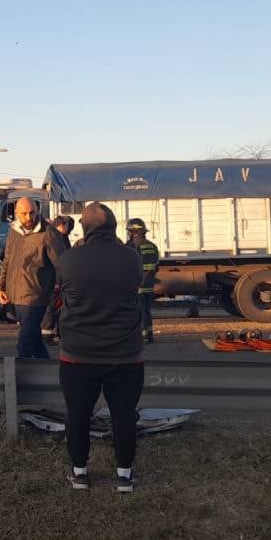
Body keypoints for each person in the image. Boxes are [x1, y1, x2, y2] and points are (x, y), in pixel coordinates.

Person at [55, 202, 145, 492]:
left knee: (78, 415)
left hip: (78, 355)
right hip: (125, 355)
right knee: (124, 414)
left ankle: (80, 472)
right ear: (115, 227)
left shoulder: (69, 260)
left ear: (83, 228)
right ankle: (124, 475)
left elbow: (61, 293)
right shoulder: (131, 258)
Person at [0, 197, 66, 359]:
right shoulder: (14, 231)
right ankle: (47, 374)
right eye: (24, 213)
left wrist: (64, 291)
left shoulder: (48, 233)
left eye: (32, 213)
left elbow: (61, 264)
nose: (29, 217)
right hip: (15, 295)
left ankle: (23, 378)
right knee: (34, 339)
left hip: (36, 296)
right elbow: (7, 260)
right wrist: (0, 287)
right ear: (16, 213)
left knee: (25, 344)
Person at [126, 218, 160, 343]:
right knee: (144, 311)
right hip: (145, 285)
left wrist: (137, 283)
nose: (129, 234)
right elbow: (154, 268)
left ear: (136, 232)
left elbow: (147, 268)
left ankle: (144, 336)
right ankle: (147, 334)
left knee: (140, 312)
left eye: (130, 231)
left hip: (139, 285)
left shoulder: (141, 246)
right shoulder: (150, 245)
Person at [41, 215, 74, 342]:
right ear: (61, 225)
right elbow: (59, 260)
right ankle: (48, 333)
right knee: (53, 305)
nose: (68, 230)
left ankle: (54, 332)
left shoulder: (60, 237)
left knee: (57, 306)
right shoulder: (55, 237)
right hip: (56, 279)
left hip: (58, 279)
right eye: (67, 227)